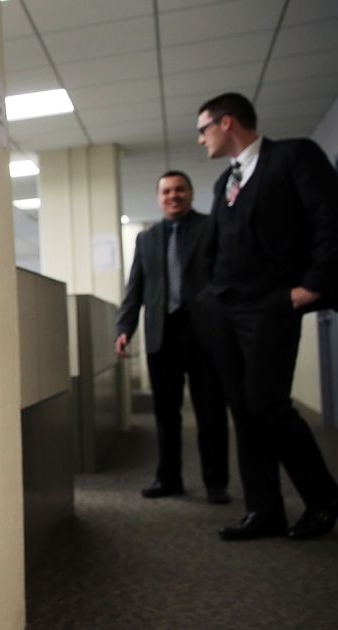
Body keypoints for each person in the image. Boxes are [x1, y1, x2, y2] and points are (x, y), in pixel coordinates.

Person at [194, 92, 338, 540]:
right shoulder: (224, 183)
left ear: (227, 122)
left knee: (267, 403)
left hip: (271, 303)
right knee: (243, 407)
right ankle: (264, 509)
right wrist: (208, 298)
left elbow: (329, 218)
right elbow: (217, 244)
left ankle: (324, 500)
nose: (200, 139)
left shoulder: (293, 156)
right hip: (227, 309)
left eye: (203, 129)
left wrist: (313, 284)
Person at [116, 171, 230, 504]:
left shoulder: (211, 228)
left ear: (191, 194)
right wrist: (124, 328)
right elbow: (135, 287)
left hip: (204, 334)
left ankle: (216, 483)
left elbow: (225, 277)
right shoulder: (147, 239)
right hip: (162, 335)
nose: (173, 196)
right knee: (166, 414)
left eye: (180, 189)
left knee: (210, 412)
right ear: (159, 198)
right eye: (166, 191)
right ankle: (169, 479)